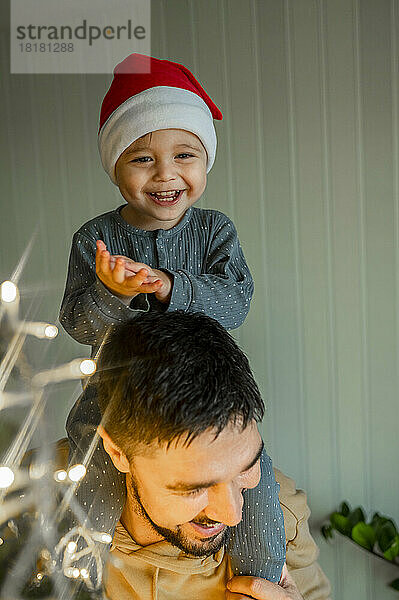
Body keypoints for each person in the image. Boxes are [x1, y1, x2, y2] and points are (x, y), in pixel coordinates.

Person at [61, 53, 285, 583]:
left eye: (185, 155)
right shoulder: (94, 239)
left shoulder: (214, 232)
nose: (166, 175)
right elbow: (76, 324)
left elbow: (236, 301)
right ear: (114, 165)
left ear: (205, 161)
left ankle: (262, 577)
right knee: (88, 469)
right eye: (142, 159)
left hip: (205, 389)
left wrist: (171, 288)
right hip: (117, 391)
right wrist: (110, 295)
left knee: (253, 476)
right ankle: (74, 577)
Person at [90, 311, 330, 599]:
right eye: (195, 488)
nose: (232, 514)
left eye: (247, 467)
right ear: (118, 451)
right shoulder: (39, 502)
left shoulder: (283, 513)